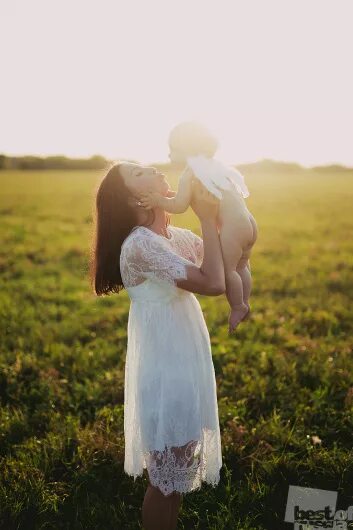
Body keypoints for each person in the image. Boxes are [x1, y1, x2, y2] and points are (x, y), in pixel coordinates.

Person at [90, 160, 225, 530]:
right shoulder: (140, 246)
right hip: (165, 369)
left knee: (177, 474)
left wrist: (221, 201)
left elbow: (224, 261)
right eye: (138, 173)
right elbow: (214, 282)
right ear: (137, 199)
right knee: (163, 482)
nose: (153, 169)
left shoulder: (173, 237)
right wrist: (207, 220)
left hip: (186, 361)